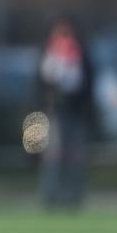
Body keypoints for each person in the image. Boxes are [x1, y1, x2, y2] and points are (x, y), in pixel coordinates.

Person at [37, 17, 93, 210]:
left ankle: (73, 198)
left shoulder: (81, 57)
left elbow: (86, 86)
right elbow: (41, 86)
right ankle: (51, 197)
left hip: (75, 114)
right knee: (53, 156)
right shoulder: (48, 56)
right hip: (54, 114)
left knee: (75, 156)